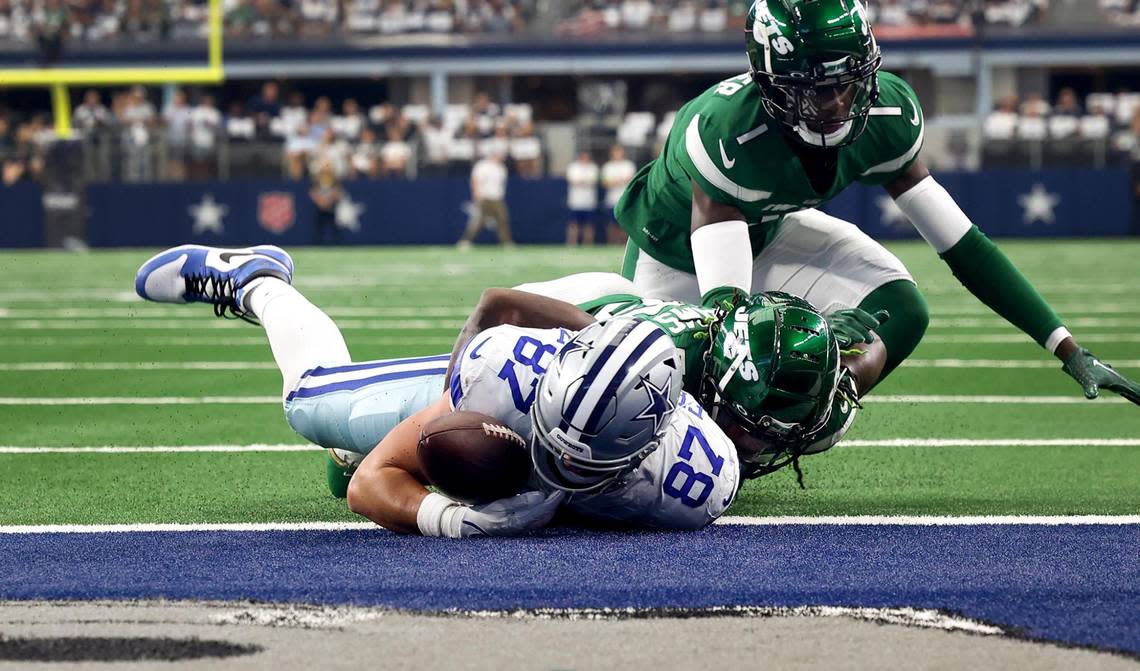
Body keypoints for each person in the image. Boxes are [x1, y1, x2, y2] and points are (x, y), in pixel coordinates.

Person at [615, 0, 1140, 405]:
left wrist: (1067, 349)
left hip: (770, 228)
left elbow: (965, 248)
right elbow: (725, 311)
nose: (838, 103)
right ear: (771, 82)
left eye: (848, 82)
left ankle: (815, 412)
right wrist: (759, 338)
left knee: (901, 307)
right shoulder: (729, 132)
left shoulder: (888, 112)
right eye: (816, 88)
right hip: (676, 256)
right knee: (667, 394)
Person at [133, 245, 740, 537]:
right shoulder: (506, 377)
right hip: (563, 327)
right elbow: (376, 485)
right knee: (312, 405)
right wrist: (447, 517)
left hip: (626, 341)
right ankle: (256, 279)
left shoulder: (693, 484)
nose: (551, 462)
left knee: (352, 467)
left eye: (576, 463)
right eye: (552, 442)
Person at [458, 150, 512, 248]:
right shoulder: (482, 166)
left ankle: (506, 242)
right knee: (478, 222)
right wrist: (476, 194)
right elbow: (475, 180)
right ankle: (465, 241)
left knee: (502, 220)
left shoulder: (501, 168)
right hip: (485, 197)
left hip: (497, 198)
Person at [601, 145, 637, 244]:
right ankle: (612, 242)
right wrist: (620, 181)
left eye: (619, 152)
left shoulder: (628, 165)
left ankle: (624, 243)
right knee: (611, 224)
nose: (617, 154)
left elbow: (631, 180)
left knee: (624, 223)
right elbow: (605, 183)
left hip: (624, 199)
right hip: (612, 199)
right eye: (615, 152)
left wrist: (615, 181)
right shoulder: (608, 166)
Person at [565, 151, 599, 245]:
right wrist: (584, 181)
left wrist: (581, 181)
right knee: (574, 223)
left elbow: (593, 181)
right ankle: (572, 243)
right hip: (575, 201)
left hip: (589, 201)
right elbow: (572, 181)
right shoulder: (573, 167)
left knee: (589, 224)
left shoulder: (593, 167)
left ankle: (588, 243)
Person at [309, 162, 343, 244]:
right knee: (318, 227)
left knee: (334, 227)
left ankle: (337, 244)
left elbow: (338, 192)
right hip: (320, 207)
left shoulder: (334, 179)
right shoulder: (317, 179)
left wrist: (329, 201)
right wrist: (320, 201)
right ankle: (316, 244)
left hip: (331, 206)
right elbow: (313, 192)